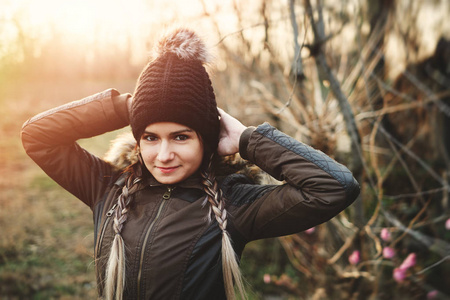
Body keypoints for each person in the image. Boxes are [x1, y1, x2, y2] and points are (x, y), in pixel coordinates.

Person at [21, 28, 360, 300]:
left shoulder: (235, 204)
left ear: (207, 139)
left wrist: (247, 139)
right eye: (150, 137)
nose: (163, 154)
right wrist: (130, 106)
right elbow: (37, 136)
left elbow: (334, 188)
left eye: (181, 137)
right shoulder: (106, 188)